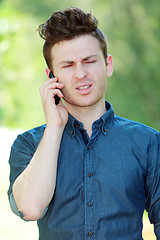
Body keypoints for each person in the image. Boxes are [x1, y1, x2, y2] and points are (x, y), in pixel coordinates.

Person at [8, 7, 160, 240]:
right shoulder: (28, 144)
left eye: (89, 61)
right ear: (51, 76)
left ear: (108, 65)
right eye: (68, 65)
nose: (81, 74)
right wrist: (54, 127)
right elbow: (30, 208)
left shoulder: (148, 142)